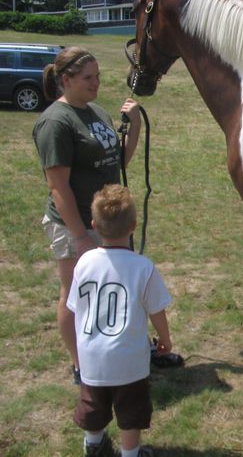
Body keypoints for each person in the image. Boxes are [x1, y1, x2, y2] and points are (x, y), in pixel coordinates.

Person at [33, 46, 141, 384]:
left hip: (105, 221)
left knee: (106, 289)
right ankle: (81, 364)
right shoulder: (55, 122)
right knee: (74, 293)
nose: (96, 83)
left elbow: (118, 161)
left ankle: (103, 352)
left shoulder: (94, 111)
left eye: (97, 76)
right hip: (74, 223)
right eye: (87, 78)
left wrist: (134, 123)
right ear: (66, 80)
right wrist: (80, 236)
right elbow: (58, 187)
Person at [67, 184, 172, 457]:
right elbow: (157, 310)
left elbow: (75, 308)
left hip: (91, 356)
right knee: (130, 412)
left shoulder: (83, 263)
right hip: (129, 360)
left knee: (93, 404)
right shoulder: (143, 267)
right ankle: (130, 454)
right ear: (134, 225)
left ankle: (93, 444)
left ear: (94, 224)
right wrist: (165, 339)